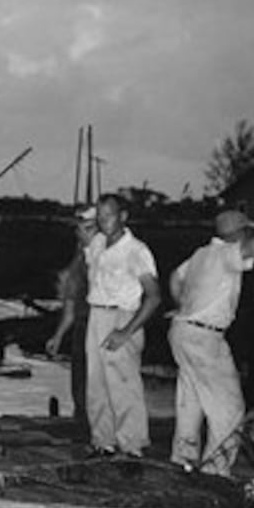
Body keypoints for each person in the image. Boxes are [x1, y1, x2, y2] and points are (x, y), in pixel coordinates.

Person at [167, 211, 254, 477]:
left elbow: (174, 277)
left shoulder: (201, 254)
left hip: (182, 329)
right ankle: (215, 472)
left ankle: (183, 461)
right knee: (231, 411)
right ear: (239, 233)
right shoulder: (228, 254)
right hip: (206, 337)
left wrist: (184, 305)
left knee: (191, 400)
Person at [84, 193, 160, 457]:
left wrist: (126, 331)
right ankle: (102, 442)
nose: (104, 221)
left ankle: (132, 447)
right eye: (100, 216)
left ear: (123, 216)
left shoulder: (137, 251)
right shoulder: (96, 243)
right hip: (96, 314)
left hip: (122, 317)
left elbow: (154, 297)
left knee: (124, 385)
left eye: (110, 215)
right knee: (96, 384)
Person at [45, 206, 100, 437]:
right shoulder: (78, 260)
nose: (82, 233)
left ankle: (101, 431)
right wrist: (57, 336)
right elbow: (70, 302)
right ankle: (84, 425)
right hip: (82, 326)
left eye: (88, 228)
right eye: (79, 229)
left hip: (102, 324)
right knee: (80, 382)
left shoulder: (107, 255)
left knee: (99, 384)